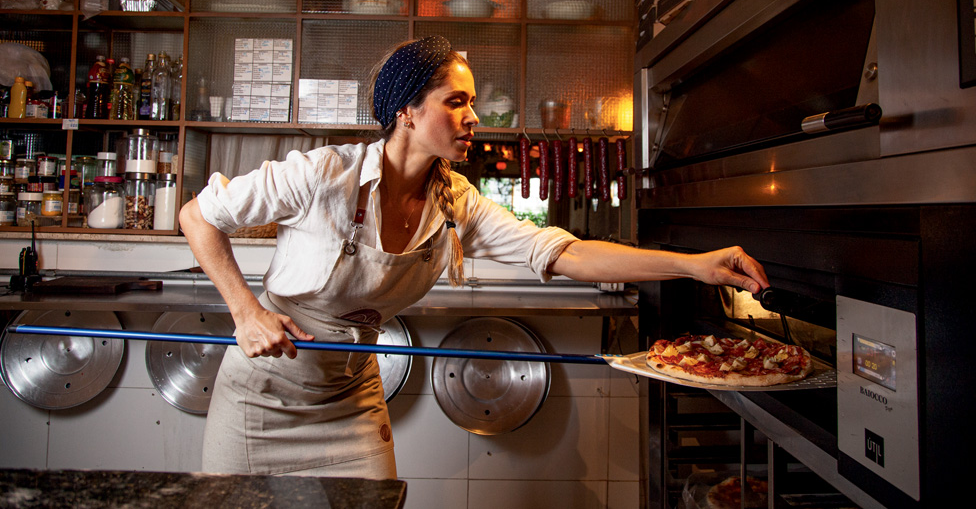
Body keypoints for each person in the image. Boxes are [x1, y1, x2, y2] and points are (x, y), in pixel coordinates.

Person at [179, 35, 769, 479]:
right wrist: (247, 313)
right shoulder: (322, 175)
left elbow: (566, 252)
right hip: (260, 397)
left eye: (472, 102)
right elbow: (198, 215)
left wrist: (693, 264)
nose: (474, 117)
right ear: (407, 112)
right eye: (456, 101)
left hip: (348, 400)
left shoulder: (457, 202)